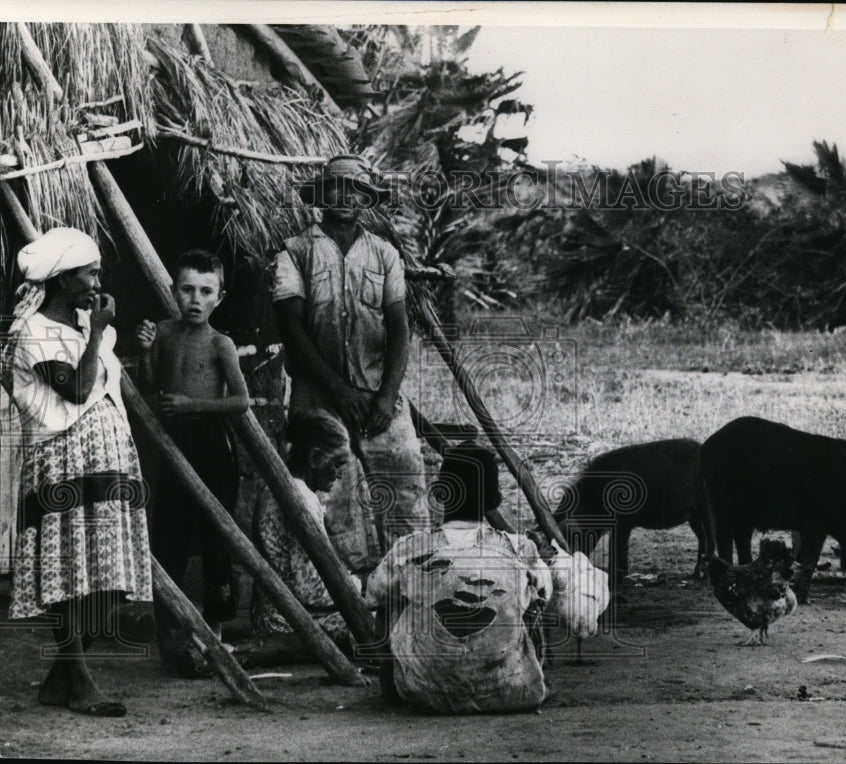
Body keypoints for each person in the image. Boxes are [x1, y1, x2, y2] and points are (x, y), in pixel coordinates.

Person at [4, 227, 152, 716]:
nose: (97, 281)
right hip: (60, 461)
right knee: (71, 573)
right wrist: (95, 334)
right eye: (89, 273)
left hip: (104, 456)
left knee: (105, 574)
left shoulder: (89, 324)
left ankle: (59, 679)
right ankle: (82, 683)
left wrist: (96, 329)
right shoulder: (32, 333)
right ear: (64, 280)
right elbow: (76, 388)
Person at [270, 154, 429, 568]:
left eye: (355, 189)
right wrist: (338, 391)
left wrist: (386, 397)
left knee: (405, 484)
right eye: (336, 187)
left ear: (366, 199)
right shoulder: (294, 252)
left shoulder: (385, 255)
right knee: (332, 498)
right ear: (321, 195)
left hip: (378, 396)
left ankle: (407, 587)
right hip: (318, 398)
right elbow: (293, 331)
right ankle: (340, 598)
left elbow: (398, 331)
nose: (345, 196)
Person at [366, 441, 552, 714]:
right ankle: (527, 673)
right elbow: (547, 596)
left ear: (440, 493)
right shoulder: (520, 548)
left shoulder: (409, 548)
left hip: (422, 694)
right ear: (496, 501)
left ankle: (391, 687)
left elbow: (372, 596)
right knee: (532, 597)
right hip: (514, 695)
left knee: (391, 598)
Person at [135, 249, 249, 674]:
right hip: (172, 446)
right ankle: (174, 630)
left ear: (220, 297)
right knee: (170, 533)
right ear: (173, 291)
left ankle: (216, 636)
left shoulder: (221, 344)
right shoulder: (164, 333)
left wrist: (194, 405)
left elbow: (241, 400)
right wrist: (144, 350)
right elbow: (147, 383)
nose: (195, 300)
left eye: (205, 291)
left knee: (216, 535)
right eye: (187, 290)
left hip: (211, 447)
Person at [244, 409, 372, 665]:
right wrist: (362, 586)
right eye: (336, 464)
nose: (339, 473)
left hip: (269, 615)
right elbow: (311, 590)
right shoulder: (302, 499)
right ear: (315, 457)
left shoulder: (274, 488)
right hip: (289, 623)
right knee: (384, 618)